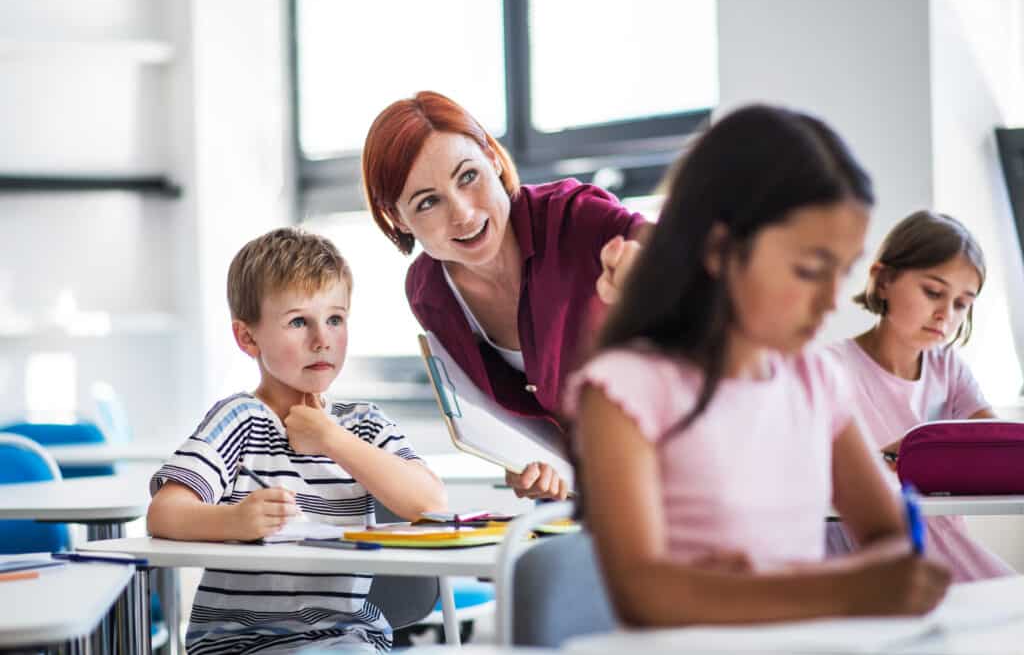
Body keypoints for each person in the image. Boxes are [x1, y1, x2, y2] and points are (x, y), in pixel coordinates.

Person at [564, 105, 951, 627]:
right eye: (809, 270)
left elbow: (893, 541)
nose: (831, 300)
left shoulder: (815, 380)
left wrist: (746, 590)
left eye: (843, 272)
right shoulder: (626, 389)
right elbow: (644, 594)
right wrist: (835, 588)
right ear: (720, 249)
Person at [147, 227, 446, 653]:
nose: (322, 338)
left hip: (348, 638)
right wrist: (232, 523)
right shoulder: (240, 421)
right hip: (241, 643)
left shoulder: (363, 425)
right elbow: (164, 512)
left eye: (335, 319)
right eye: (298, 321)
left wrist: (331, 438)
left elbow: (431, 503)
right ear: (248, 338)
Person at [361, 91, 651, 500]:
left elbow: (664, 245)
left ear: (492, 158)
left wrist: (651, 267)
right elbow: (517, 417)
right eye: (428, 202)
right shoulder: (429, 293)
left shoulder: (571, 218)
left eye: (468, 176)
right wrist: (535, 463)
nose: (461, 212)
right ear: (397, 218)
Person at [825, 210, 1014, 581]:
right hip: (858, 549)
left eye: (962, 303)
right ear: (882, 280)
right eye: (932, 292)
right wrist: (893, 455)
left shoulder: (949, 368)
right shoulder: (829, 368)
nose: (946, 314)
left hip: (942, 544)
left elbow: (997, 450)